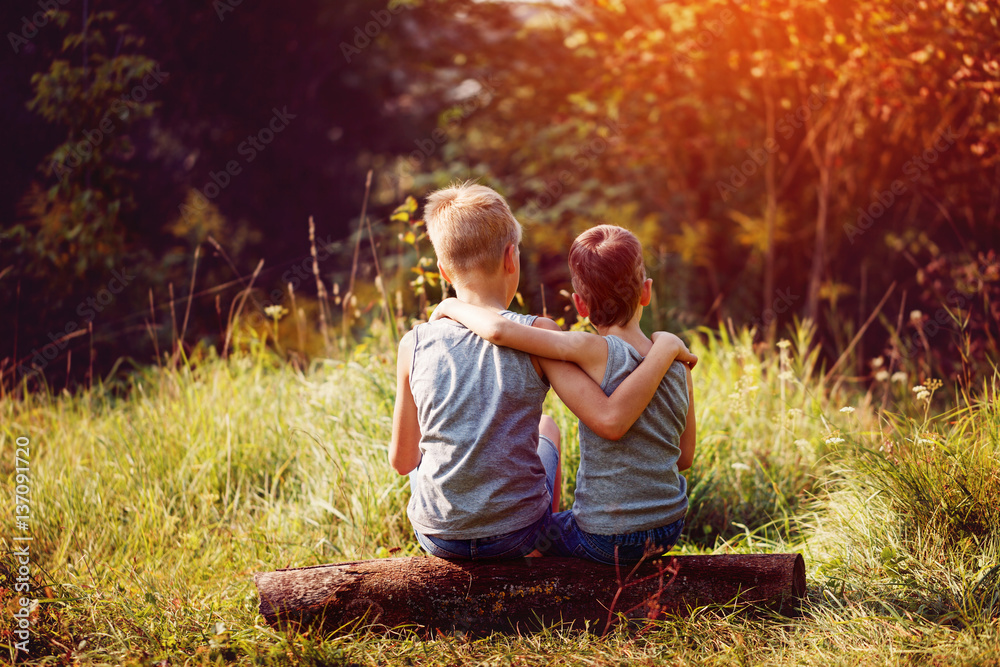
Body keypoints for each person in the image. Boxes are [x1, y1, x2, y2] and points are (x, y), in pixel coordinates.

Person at [389, 183, 696, 560]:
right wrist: (665, 345)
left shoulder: (412, 344)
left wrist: (448, 307)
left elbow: (402, 462)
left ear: (442, 271)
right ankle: (535, 552)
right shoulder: (540, 333)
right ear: (510, 258)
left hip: (438, 538)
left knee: (423, 470)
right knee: (546, 428)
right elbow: (665, 448)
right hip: (525, 534)